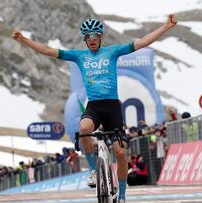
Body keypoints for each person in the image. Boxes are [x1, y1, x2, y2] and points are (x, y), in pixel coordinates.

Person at [12, 15, 177, 202]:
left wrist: (165, 27)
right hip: (94, 107)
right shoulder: (79, 56)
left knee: (121, 153)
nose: (91, 39)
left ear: (100, 37)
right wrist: (24, 39)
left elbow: (141, 43)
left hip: (113, 107)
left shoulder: (113, 52)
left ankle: (122, 195)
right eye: (87, 37)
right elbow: (49, 50)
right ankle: (92, 170)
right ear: (85, 39)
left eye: (94, 36)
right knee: (83, 129)